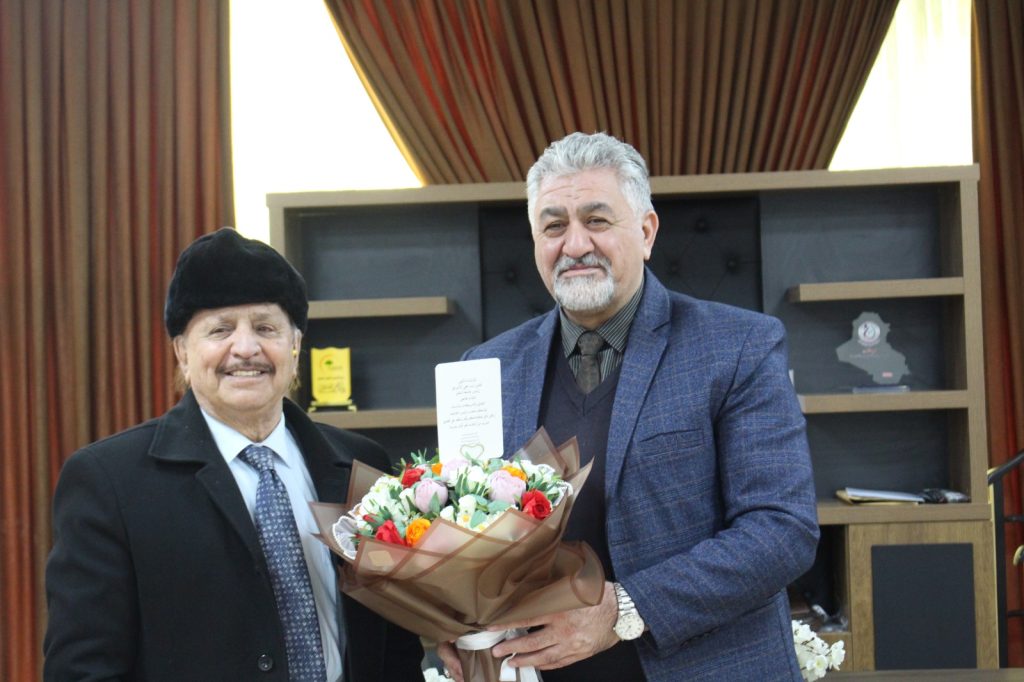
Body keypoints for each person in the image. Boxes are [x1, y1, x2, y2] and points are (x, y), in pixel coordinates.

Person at [439, 132, 819, 681]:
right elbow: (460, 532)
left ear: (645, 232)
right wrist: (455, 622)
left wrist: (623, 610)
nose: (575, 245)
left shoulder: (738, 347)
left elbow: (782, 530)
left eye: (596, 220)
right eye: (553, 226)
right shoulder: (485, 367)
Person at [44, 227, 424, 681]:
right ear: (183, 353)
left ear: (295, 345)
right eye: (220, 330)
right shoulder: (110, 481)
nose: (246, 348)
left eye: (265, 328)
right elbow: (82, 670)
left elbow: (396, 648)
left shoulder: (362, 465)